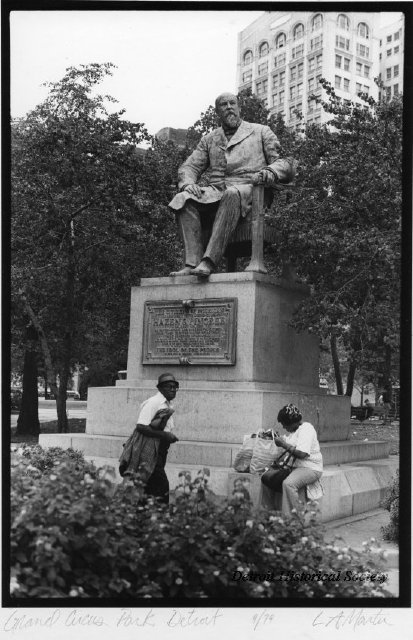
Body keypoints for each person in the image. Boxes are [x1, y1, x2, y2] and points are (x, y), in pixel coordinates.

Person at [168, 92, 295, 277]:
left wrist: (271, 171)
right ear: (217, 112)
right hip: (215, 192)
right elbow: (190, 166)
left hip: (251, 189)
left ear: (239, 107)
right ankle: (191, 263)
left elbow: (285, 163)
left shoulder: (261, 131)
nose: (229, 107)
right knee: (183, 199)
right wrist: (187, 183)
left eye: (232, 103)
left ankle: (209, 261)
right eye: (223, 105)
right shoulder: (209, 139)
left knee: (232, 194)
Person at [119, 373, 179, 503]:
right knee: (162, 486)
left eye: (175, 387)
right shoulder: (154, 402)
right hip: (150, 450)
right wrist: (165, 435)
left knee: (148, 486)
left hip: (160, 450)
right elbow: (141, 426)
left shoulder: (167, 404)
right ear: (160, 389)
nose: (173, 389)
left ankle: (143, 515)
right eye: (169, 387)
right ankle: (160, 516)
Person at [271, 403, 323, 518]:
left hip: (310, 468)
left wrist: (284, 444)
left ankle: (294, 522)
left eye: (285, 425)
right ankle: (269, 515)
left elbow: (302, 454)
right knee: (268, 478)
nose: (284, 428)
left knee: (289, 484)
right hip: (296, 468)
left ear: (292, 422)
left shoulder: (306, 429)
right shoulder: (294, 432)